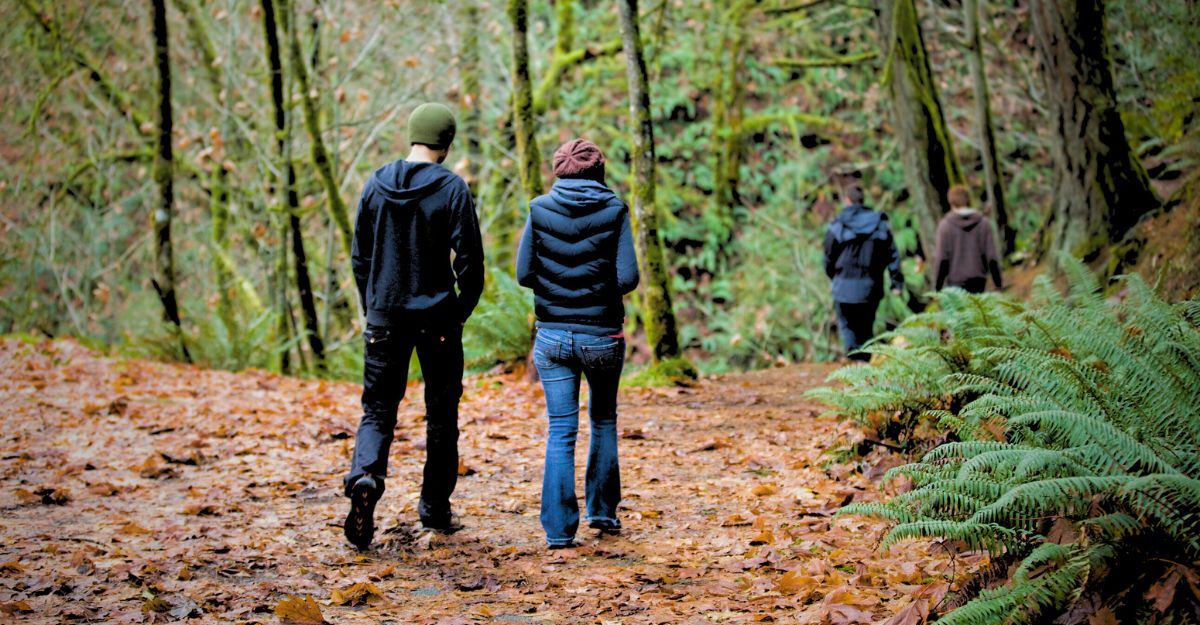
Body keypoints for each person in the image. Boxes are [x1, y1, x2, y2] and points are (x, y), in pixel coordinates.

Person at [342, 103, 485, 550]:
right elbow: (470, 260)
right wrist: (460, 310)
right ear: (447, 143)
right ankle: (435, 508)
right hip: (437, 318)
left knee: (378, 409)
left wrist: (373, 305)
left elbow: (361, 256)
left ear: (413, 135)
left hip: (385, 315)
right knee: (441, 414)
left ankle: (365, 476)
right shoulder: (452, 188)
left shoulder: (376, 184)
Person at [516, 139, 639, 549]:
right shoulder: (615, 210)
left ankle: (558, 530)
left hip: (552, 335)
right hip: (602, 335)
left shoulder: (539, 209)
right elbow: (628, 278)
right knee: (602, 420)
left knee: (560, 429)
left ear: (559, 172)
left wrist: (558, 290)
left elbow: (523, 273)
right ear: (598, 171)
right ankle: (602, 512)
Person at [823, 184, 904, 362]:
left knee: (847, 327)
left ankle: (854, 365)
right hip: (870, 288)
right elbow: (893, 256)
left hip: (843, 287)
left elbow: (828, 257)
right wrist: (896, 283)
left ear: (847, 201)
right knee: (866, 327)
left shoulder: (837, 226)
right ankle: (864, 365)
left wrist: (832, 278)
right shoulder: (879, 225)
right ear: (862, 201)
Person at [934, 185, 1003, 294]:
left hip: (955, 284)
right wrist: (998, 283)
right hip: (979, 280)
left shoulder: (945, 226)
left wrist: (937, 288)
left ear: (951, 202)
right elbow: (991, 256)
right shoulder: (983, 223)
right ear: (968, 200)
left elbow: (941, 259)